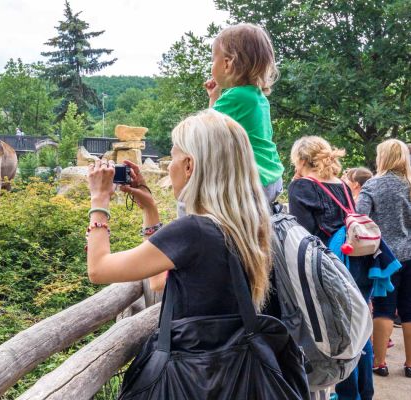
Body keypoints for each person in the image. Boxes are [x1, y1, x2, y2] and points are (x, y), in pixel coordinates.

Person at [86, 110, 278, 385]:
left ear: (189, 165)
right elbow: (158, 283)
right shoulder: (245, 224)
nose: (169, 166)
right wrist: (149, 209)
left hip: (192, 379)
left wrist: (99, 201)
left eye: (173, 156)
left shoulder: (193, 231)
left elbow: (98, 269)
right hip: (229, 375)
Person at [287, 136, 374, 399]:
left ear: (301, 160)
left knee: (338, 332)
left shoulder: (301, 186)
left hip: (329, 267)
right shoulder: (343, 185)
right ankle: (361, 392)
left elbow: (299, 235)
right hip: (357, 260)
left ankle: (343, 393)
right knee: (360, 327)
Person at [203, 23, 285, 204]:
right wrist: (214, 96)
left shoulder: (236, 96)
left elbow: (203, 130)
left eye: (212, 60)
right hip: (272, 177)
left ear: (226, 63)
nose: (212, 65)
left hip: (252, 182)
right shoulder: (257, 97)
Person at [357, 139, 411, 379]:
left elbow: (360, 216)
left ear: (383, 158)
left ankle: (379, 363)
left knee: (383, 309)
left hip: (384, 258)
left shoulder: (373, 185)